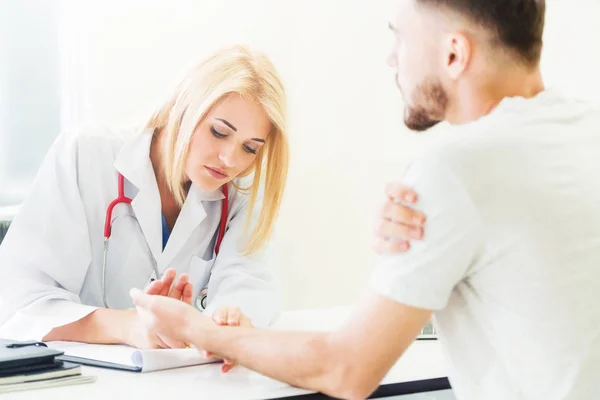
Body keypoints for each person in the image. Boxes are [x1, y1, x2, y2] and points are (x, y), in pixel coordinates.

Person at [130, 0, 600, 399]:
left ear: (454, 53)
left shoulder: (457, 169)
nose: (392, 60)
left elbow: (345, 370)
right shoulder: (584, 133)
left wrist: (197, 329)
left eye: (400, 38)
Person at [0, 45, 292, 353]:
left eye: (250, 148)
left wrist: (227, 323)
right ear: (183, 106)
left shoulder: (240, 190)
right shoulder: (87, 154)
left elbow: (251, 285)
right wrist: (130, 326)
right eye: (219, 132)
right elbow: (18, 302)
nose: (229, 159)